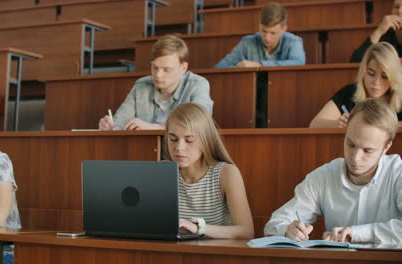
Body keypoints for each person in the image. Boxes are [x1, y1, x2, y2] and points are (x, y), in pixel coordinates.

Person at [265, 98, 402, 244]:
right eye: (350, 144)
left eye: (368, 150)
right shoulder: (324, 176)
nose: (355, 158)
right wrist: (287, 230)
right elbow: (273, 224)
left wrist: (356, 233)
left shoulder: (397, 173)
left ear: (386, 147)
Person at [165, 102, 254, 239]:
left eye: (189, 140)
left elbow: (246, 232)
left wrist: (198, 228)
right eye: (173, 139)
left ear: (205, 140)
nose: (179, 147)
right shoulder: (163, 172)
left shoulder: (227, 173)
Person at [99, 34, 213, 130]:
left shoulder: (197, 84)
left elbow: (199, 126)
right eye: (155, 67)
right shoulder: (141, 86)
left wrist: (153, 127)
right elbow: (120, 122)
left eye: (166, 70)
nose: (158, 75)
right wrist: (109, 125)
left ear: (183, 68)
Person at [310, 42, 402, 128]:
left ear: (393, 78)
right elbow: (314, 124)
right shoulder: (349, 92)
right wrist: (337, 123)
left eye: (384, 77)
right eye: (371, 73)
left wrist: (381, 125)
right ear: (363, 72)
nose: (376, 82)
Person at [214, 2, 305, 68]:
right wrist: (238, 68)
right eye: (264, 31)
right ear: (259, 26)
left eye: (273, 33)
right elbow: (220, 67)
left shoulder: (293, 41)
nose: (267, 38)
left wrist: (259, 65)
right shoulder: (248, 42)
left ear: (284, 29)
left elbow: (299, 63)